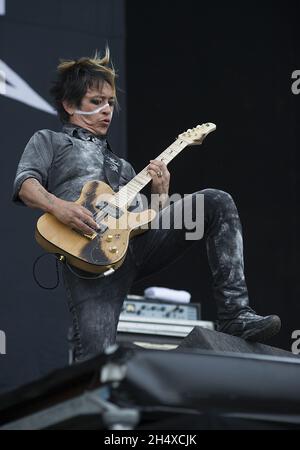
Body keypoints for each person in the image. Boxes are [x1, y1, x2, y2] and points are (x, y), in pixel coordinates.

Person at [12, 49, 281, 362]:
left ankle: (235, 314)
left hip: (134, 247)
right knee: (95, 364)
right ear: (69, 105)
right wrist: (61, 208)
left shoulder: (123, 168)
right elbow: (26, 184)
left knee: (216, 201)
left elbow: (149, 219)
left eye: (110, 102)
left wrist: (162, 192)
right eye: (95, 102)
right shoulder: (50, 141)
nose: (106, 110)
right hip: (88, 262)